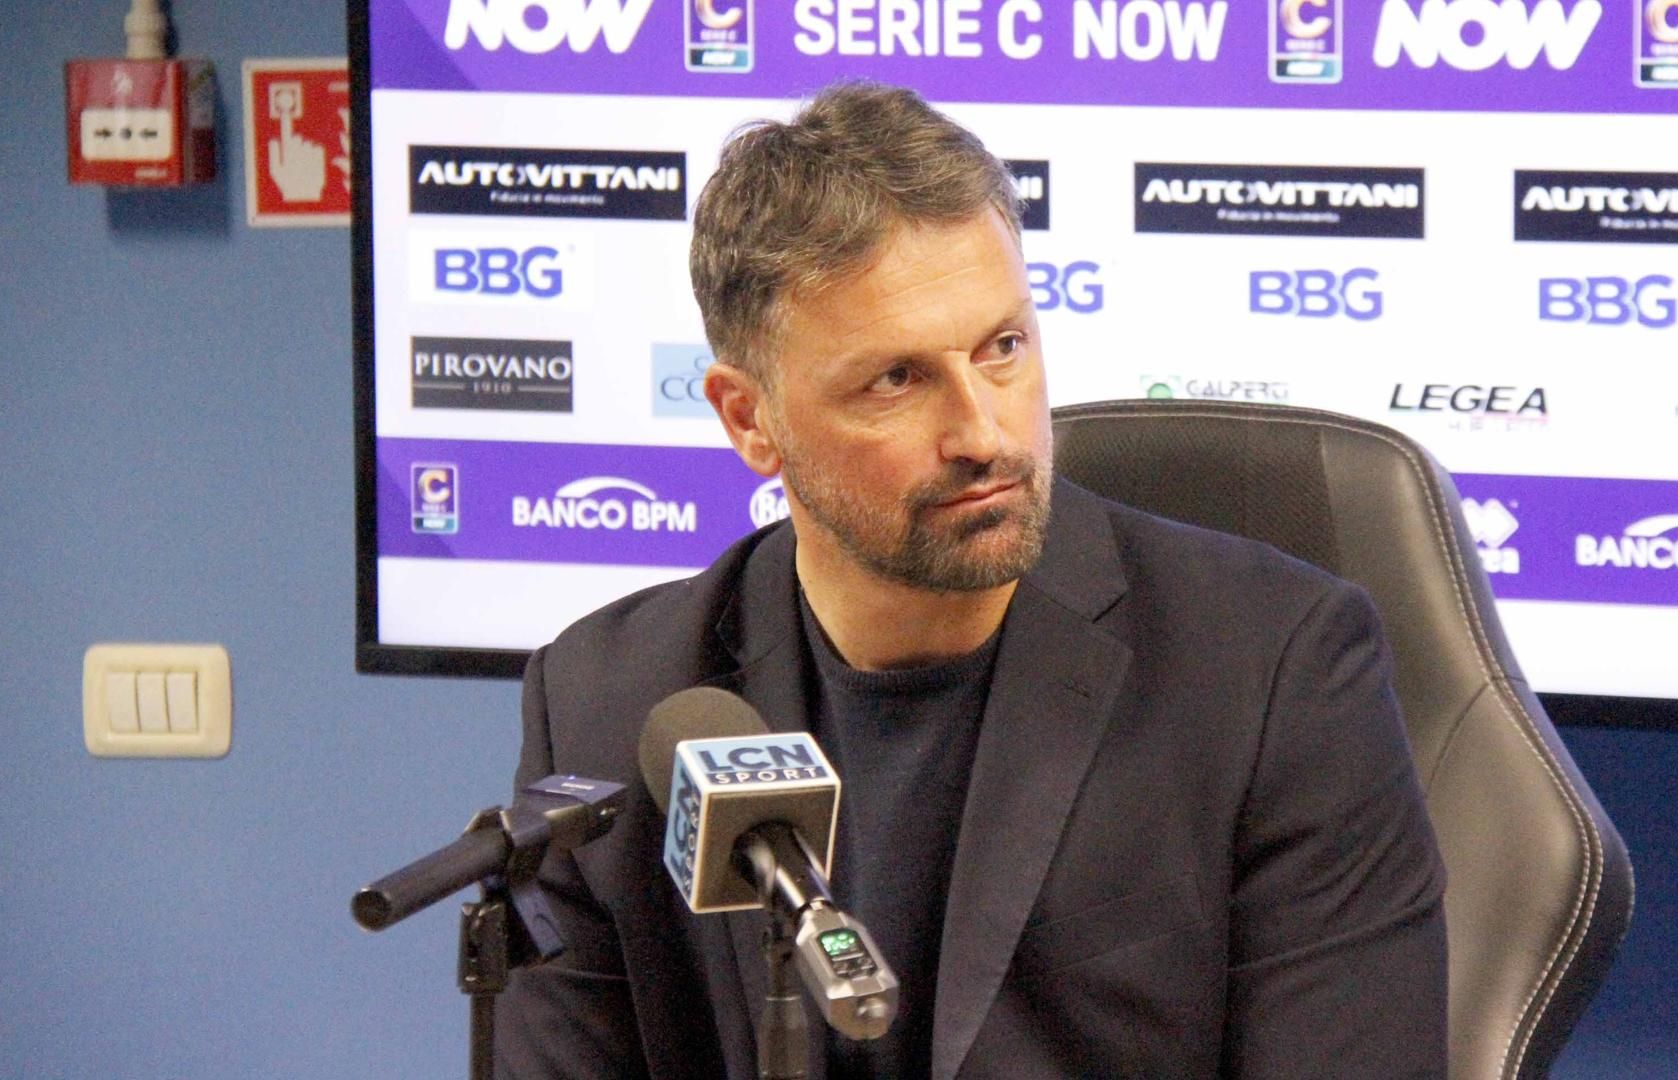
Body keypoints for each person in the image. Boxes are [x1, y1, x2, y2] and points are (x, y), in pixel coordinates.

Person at [496, 81, 1446, 1079]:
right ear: (750, 418)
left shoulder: (1274, 673)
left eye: (1003, 349)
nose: (984, 434)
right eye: (896, 379)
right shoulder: (611, 700)